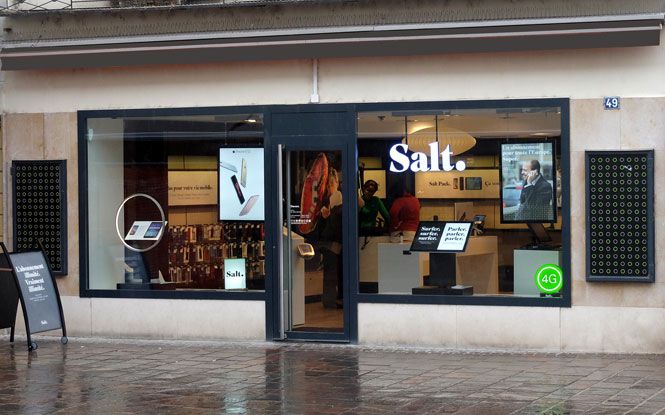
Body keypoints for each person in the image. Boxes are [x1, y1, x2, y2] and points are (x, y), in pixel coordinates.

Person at [318, 168, 343, 309]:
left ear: (337, 183)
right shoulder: (330, 200)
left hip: (333, 242)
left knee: (331, 273)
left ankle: (330, 300)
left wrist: (328, 216)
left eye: (331, 184)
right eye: (328, 184)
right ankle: (330, 300)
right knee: (331, 273)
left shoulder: (336, 199)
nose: (329, 187)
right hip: (331, 243)